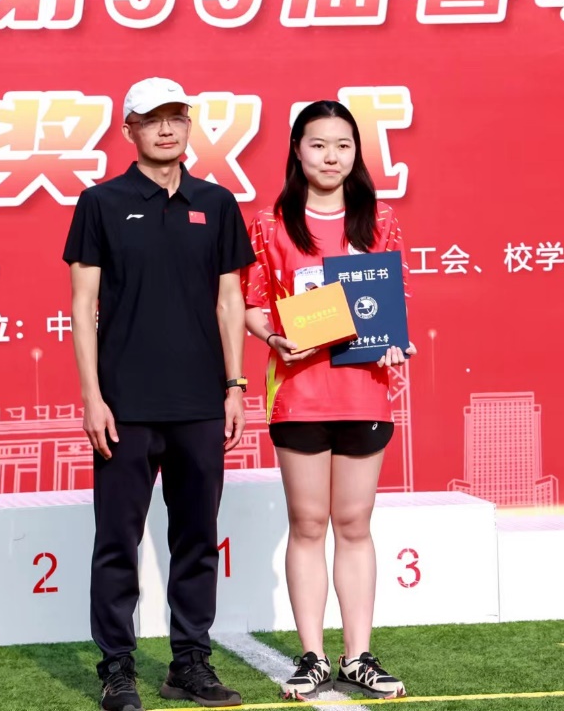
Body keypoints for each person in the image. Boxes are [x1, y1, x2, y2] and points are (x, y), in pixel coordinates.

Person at [63, 77, 256, 711]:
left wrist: (234, 385)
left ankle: (189, 664)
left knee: (197, 538)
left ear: (189, 125)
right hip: (125, 406)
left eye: (177, 117)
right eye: (152, 119)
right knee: (116, 541)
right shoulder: (101, 202)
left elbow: (230, 301)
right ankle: (116, 668)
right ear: (130, 130)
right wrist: (92, 397)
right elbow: (83, 305)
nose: (167, 129)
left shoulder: (217, 203)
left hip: (201, 403)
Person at [241, 100, 414, 701]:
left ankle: (358, 656)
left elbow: (392, 300)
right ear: (297, 150)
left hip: (365, 390)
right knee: (309, 523)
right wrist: (272, 337)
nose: (331, 156)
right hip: (299, 392)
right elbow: (254, 304)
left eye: (343, 145)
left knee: (355, 523)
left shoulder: (379, 219)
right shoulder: (271, 223)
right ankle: (313, 656)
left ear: (356, 153)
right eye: (318, 144)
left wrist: (394, 343)